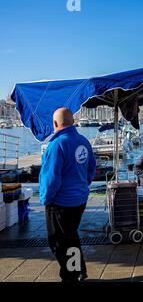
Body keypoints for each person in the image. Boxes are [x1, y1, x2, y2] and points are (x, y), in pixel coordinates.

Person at [40, 108, 96, 282]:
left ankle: (71, 276)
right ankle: (79, 270)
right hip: (79, 200)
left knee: (58, 243)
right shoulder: (83, 141)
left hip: (60, 203)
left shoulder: (57, 145)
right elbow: (91, 169)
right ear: (72, 122)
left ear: (55, 124)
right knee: (70, 236)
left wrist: (45, 199)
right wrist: (82, 186)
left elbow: (51, 179)